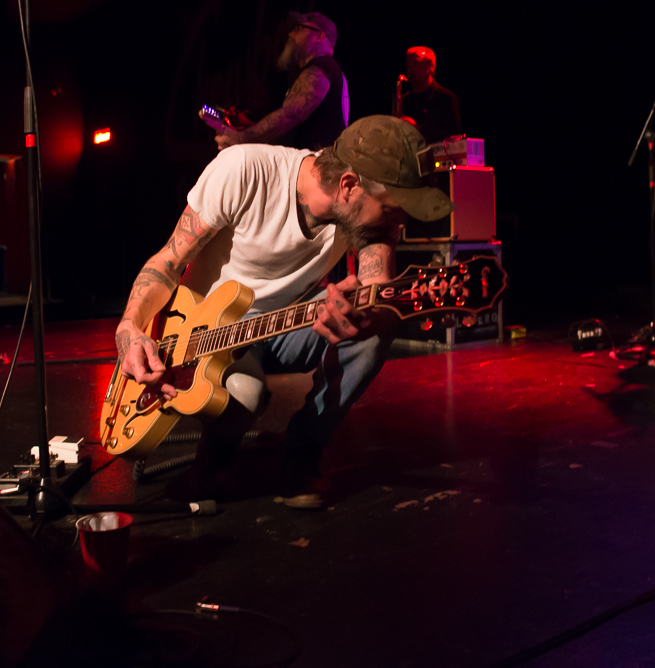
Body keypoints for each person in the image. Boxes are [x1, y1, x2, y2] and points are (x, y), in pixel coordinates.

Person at [117, 116, 453, 509]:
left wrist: (358, 313)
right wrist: (130, 329)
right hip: (208, 332)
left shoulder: (370, 221)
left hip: (284, 326)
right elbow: (166, 263)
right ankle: (215, 454)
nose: (399, 221)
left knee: (381, 323)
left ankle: (304, 450)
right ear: (348, 186)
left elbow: (375, 289)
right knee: (247, 392)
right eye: (393, 209)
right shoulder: (244, 171)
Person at [215, 12, 349, 152]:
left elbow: (290, 115)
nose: (290, 34)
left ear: (319, 36)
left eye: (299, 29)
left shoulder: (321, 68)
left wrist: (240, 139)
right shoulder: (329, 70)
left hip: (314, 167)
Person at [399, 46, 462, 144]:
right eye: (408, 65)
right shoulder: (404, 100)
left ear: (430, 68)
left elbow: (454, 138)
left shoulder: (445, 98)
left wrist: (419, 129)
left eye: (416, 63)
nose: (410, 69)